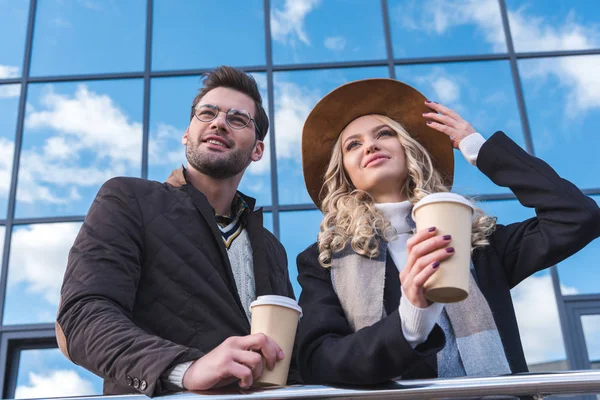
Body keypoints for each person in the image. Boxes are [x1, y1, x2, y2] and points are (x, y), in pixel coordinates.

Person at [295, 78, 600, 385]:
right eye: (354, 144)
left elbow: (577, 217)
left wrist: (479, 148)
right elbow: (319, 361)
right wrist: (410, 322)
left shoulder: (478, 242)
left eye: (384, 134)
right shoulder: (324, 260)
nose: (371, 145)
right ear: (344, 172)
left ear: (408, 148)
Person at [56, 66, 301, 396]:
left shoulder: (272, 249)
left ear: (257, 149)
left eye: (238, 119)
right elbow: (81, 316)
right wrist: (185, 369)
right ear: (187, 133)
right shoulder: (129, 199)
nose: (218, 123)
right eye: (207, 113)